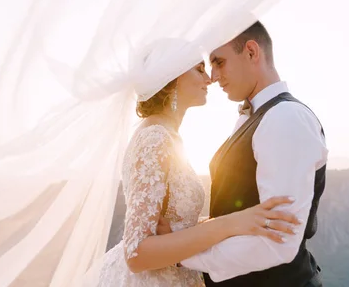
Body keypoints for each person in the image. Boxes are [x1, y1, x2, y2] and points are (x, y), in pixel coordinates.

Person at [93, 39, 301, 287]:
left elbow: (174, 223)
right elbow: (136, 253)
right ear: (171, 78)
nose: (210, 78)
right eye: (199, 69)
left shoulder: (167, 135)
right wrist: (230, 223)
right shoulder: (154, 137)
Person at [176, 21, 328, 286]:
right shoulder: (261, 116)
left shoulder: (285, 117)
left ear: (251, 52)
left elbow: (278, 242)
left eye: (219, 62)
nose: (213, 76)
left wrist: (182, 253)